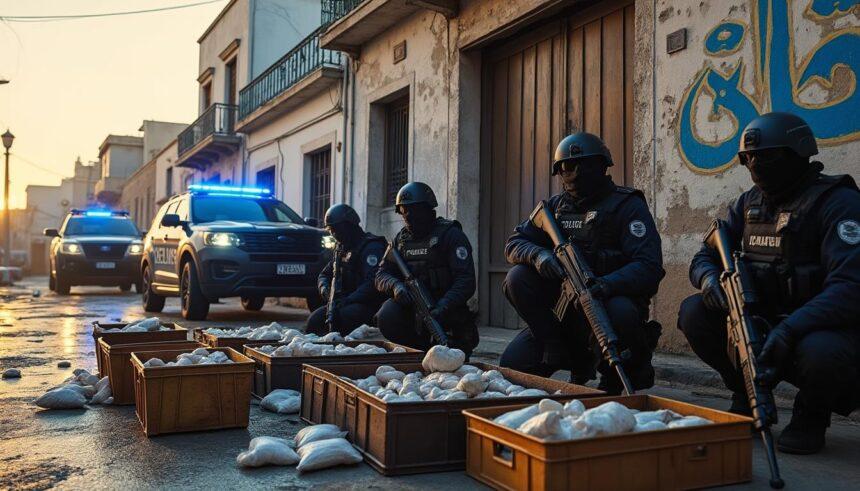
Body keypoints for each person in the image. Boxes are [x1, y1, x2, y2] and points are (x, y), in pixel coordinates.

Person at [677, 112, 860, 455]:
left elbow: (851, 287)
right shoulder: (749, 203)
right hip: (761, 320)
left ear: (797, 153)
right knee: (694, 312)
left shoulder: (838, 202)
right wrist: (710, 281)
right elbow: (704, 255)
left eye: (767, 155)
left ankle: (811, 414)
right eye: (747, 158)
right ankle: (745, 392)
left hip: (815, 330)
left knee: (822, 353)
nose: (755, 164)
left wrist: (791, 329)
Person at [499, 132, 664, 394]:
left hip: (606, 306)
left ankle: (616, 375)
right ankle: (558, 349)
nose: (575, 173)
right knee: (512, 362)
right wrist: (540, 256)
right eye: (567, 167)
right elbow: (514, 244)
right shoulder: (553, 209)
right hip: (562, 317)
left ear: (602, 166)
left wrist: (606, 284)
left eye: (584, 165)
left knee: (621, 311)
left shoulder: (627, 205)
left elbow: (649, 267)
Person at [374, 182, 479, 356]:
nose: (409, 216)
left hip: (446, 310)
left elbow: (466, 281)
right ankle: (416, 351)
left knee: (452, 356)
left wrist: (443, 306)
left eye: (414, 211)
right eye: (404, 211)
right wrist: (395, 286)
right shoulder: (401, 240)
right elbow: (381, 274)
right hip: (412, 308)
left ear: (428, 209)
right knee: (387, 314)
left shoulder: (450, 235)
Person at [306, 204, 387, 336]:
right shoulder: (341, 248)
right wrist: (325, 289)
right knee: (315, 320)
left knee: (342, 318)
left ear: (350, 225)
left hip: (367, 305)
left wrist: (348, 300)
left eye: (337, 229)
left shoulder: (371, 247)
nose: (335, 234)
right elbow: (324, 274)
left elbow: (372, 283)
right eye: (331, 230)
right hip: (343, 303)